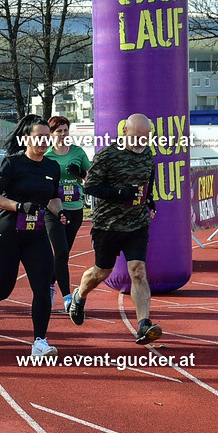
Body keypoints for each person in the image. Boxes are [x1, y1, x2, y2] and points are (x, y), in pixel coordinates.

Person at [0, 116, 67, 357]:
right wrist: (20, 206)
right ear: (27, 139)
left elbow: (52, 197)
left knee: (43, 287)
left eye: (48, 137)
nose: (44, 142)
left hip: (35, 234)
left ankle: (39, 342)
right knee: (4, 288)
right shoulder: (12, 163)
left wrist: (60, 211)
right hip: (6, 233)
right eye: (39, 137)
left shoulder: (52, 166)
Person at [67, 113, 162, 344]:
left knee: (138, 271)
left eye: (146, 139)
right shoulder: (108, 154)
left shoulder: (148, 154)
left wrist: (149, 199)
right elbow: (90, 186)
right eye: (137, 138)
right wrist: (120, 194)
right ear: (125, 132)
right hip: (107, 225)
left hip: (137, 224)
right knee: (102, 272)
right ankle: (79, 295)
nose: (141, 143)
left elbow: (149, 176)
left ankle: (143, 325)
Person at [44, 116, 91, 313]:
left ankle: (49, 283)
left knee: (64, 254)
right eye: (59, 131)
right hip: (52, 209)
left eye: (65, 130)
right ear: (51, 134)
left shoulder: (78, 152)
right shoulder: (46, 155)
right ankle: (67, 297)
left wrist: (80, 172)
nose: (63, 134)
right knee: (61, 252)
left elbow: (92, 176)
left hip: (75, 208)